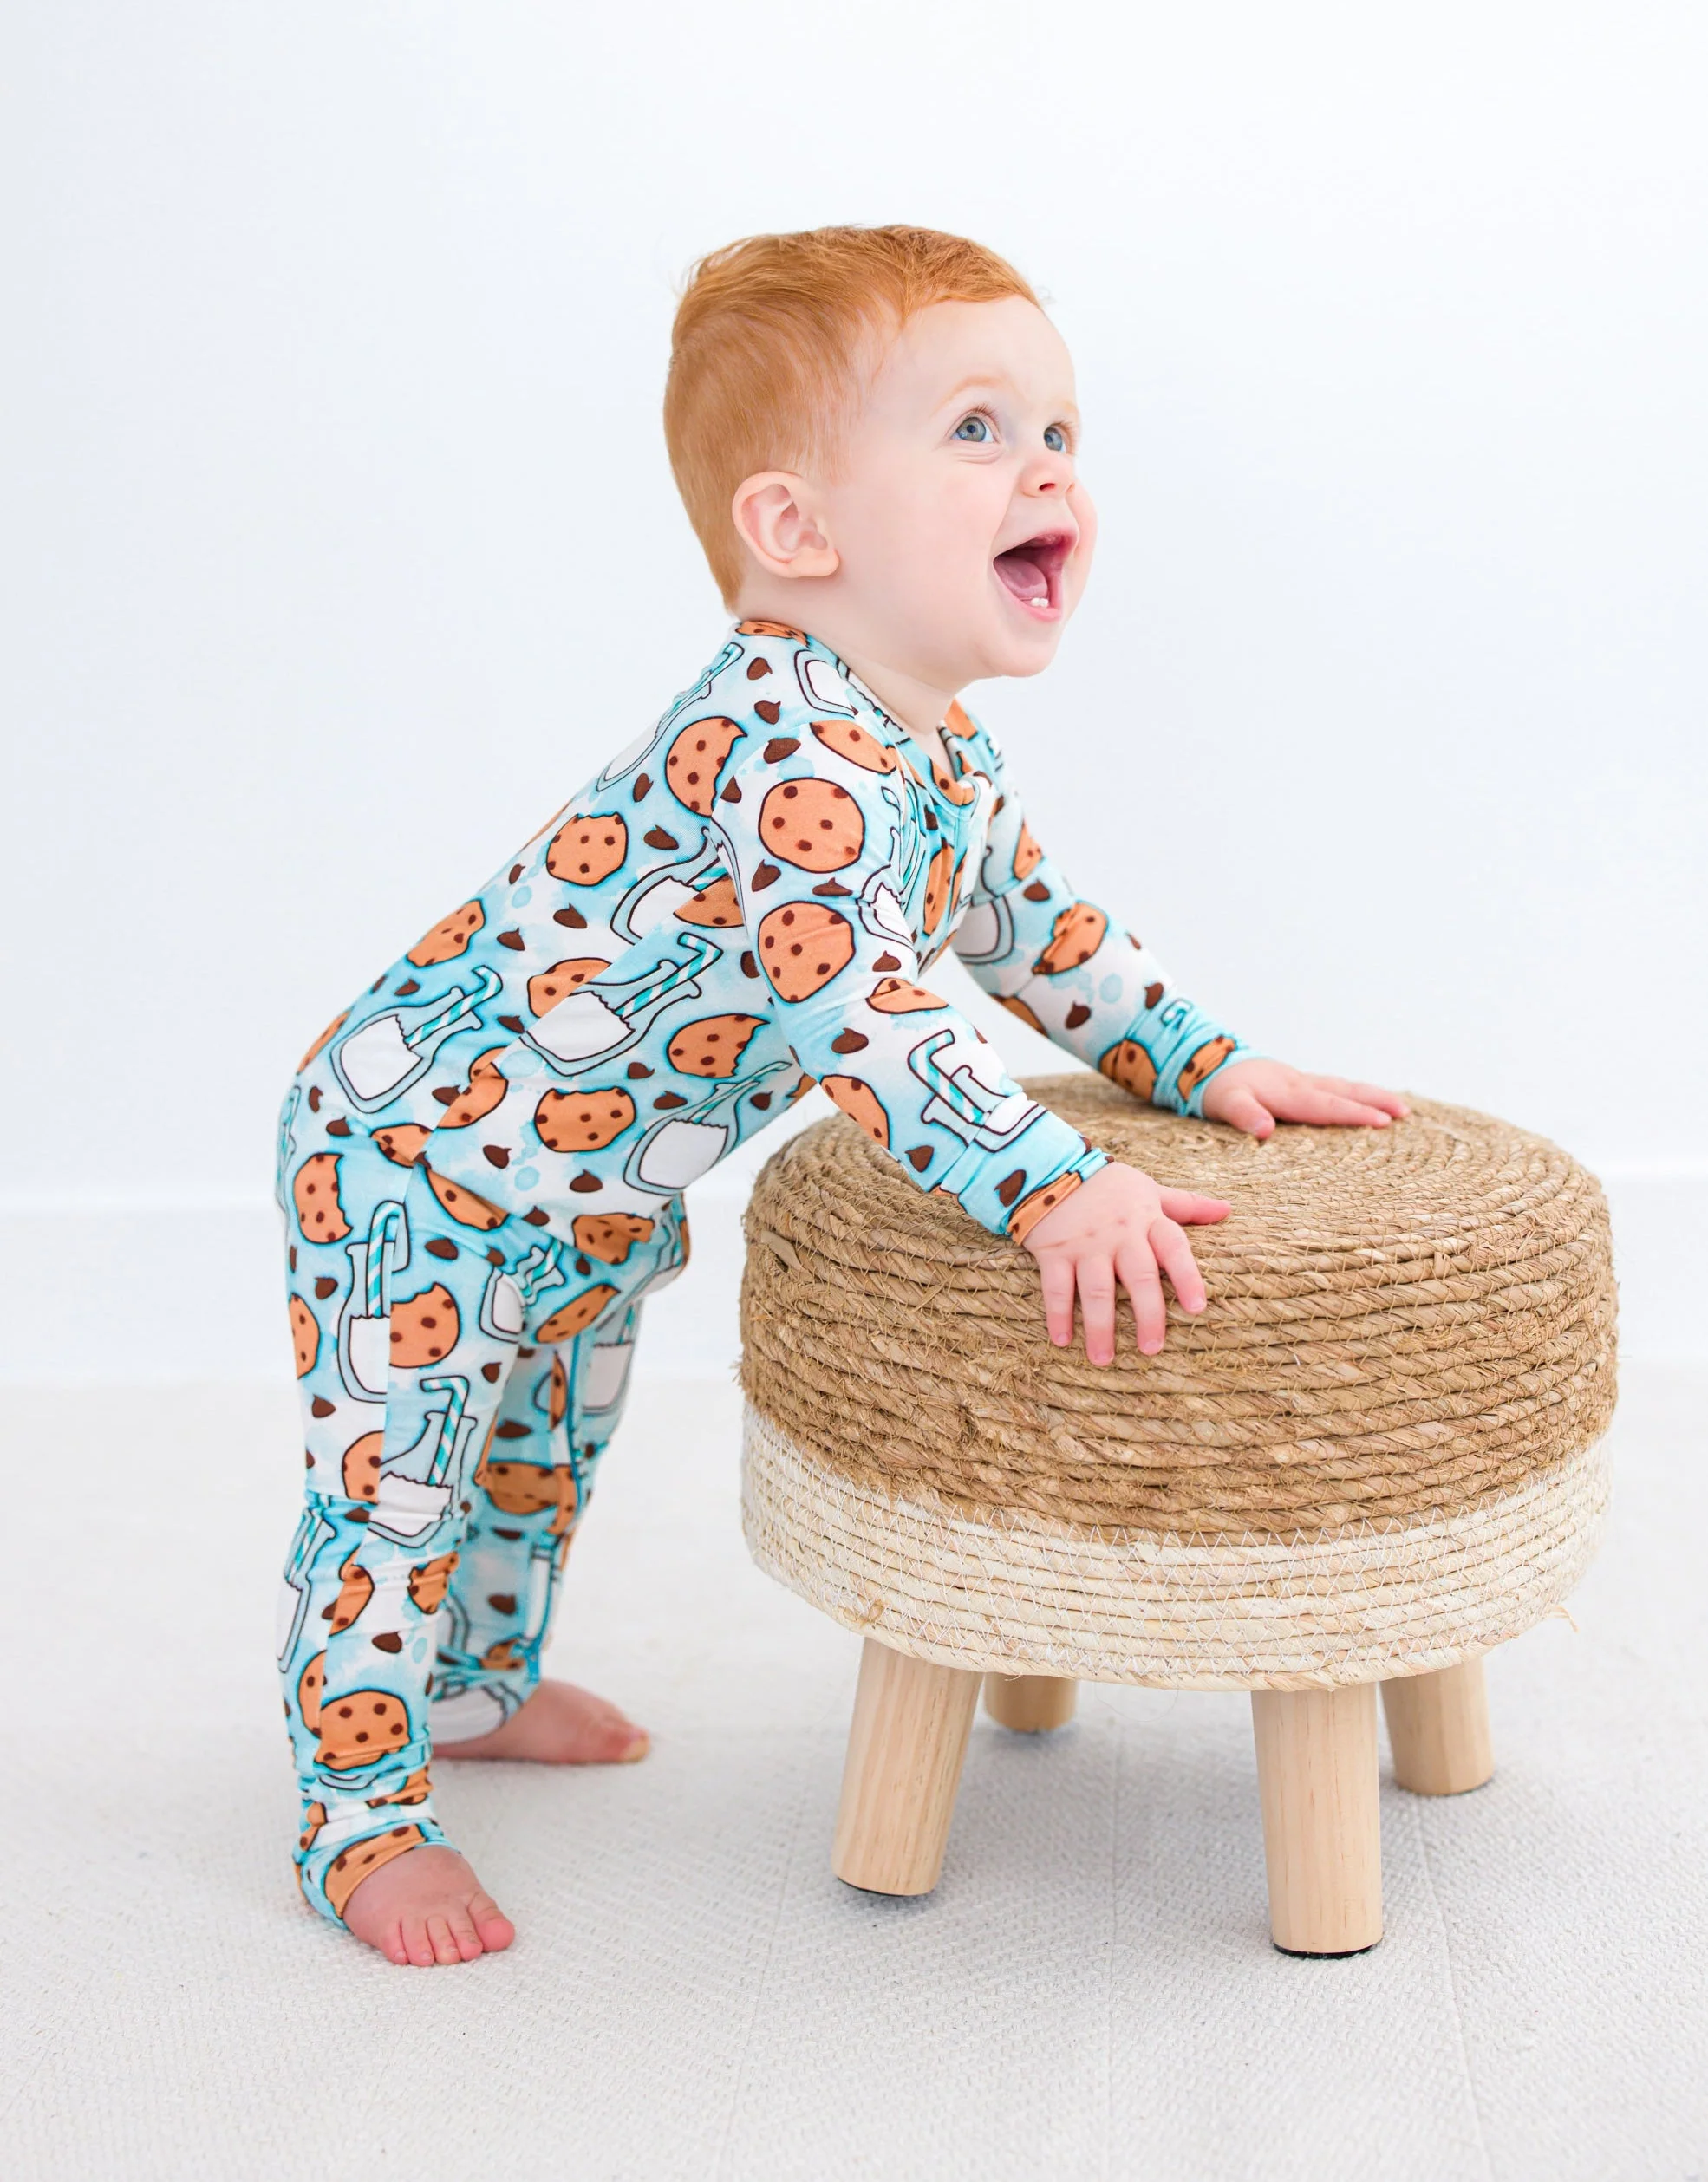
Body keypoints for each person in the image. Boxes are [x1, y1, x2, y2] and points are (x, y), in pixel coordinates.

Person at [276, 225, 1408, 1967]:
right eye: (977, 429)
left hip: (582, 1198)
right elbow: (865, 1019)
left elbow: (1036, 930)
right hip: (413, 1161)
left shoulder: (928, 746)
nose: (1048, 467)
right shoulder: (782, 744)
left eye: (1060, 431)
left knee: (539, 1453)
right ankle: (356, 1825)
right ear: (796, 529)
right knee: (400, 1495)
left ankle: (477, 1690)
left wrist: (1199, 1058)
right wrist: (1050, 1180)